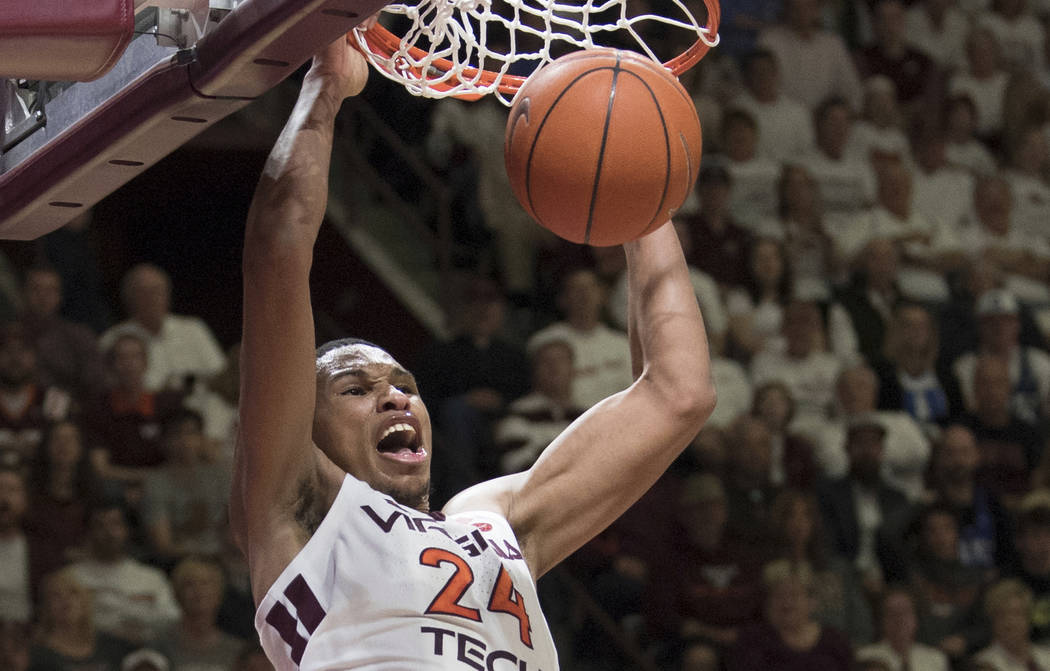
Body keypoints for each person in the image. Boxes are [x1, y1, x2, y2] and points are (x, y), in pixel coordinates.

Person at [230, 35, 716, 670]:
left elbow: (679, 392)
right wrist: (326, 86)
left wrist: (635, 182)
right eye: (356, 388)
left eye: (404, 383)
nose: (394, 395)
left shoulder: (494, 521)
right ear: (306, 429)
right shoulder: (296, 512)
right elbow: (277, 245)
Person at [99, 263, 226, 394]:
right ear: (129, 298)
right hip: (149, 410)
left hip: (204, 407)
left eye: (157, 291)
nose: (152, 298)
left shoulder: (193, 329)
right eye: (144, 292)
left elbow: (221, 376)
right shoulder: (113, 339)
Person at [69, 499, 181, 645]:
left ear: (127, 530)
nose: (108, 532)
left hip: (144, 652)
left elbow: (171, 619)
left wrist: (110, 609)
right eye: (100, 526)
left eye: (115, 524)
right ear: (89, 532)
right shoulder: (72, 578)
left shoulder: (151, 577)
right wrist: (132, 607)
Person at [856, 586, 951, 671]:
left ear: (916, 617)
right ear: (881, 619)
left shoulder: (935, 658)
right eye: (892, 613)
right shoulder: (865, 656)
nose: (899, 619)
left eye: (905, 612)